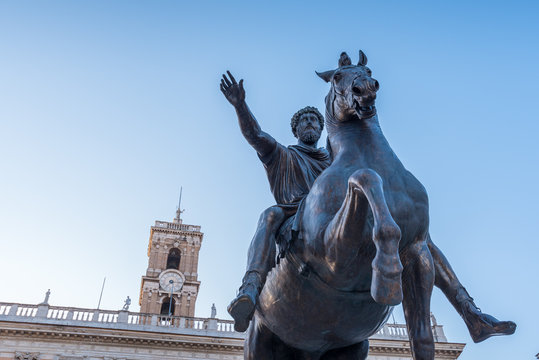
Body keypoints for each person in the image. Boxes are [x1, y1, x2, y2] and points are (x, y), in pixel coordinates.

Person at [220, 71, 516, 342]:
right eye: (304, 122)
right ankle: (250, 286)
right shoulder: (284, 155)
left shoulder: (336, 158)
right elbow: (255, 137)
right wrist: (239, 106)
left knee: (417, 235)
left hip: (340, 212)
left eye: (314, 121)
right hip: (298, 213)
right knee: (269, 214)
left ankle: (469, 311)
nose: (310, 125)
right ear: (296, 130)